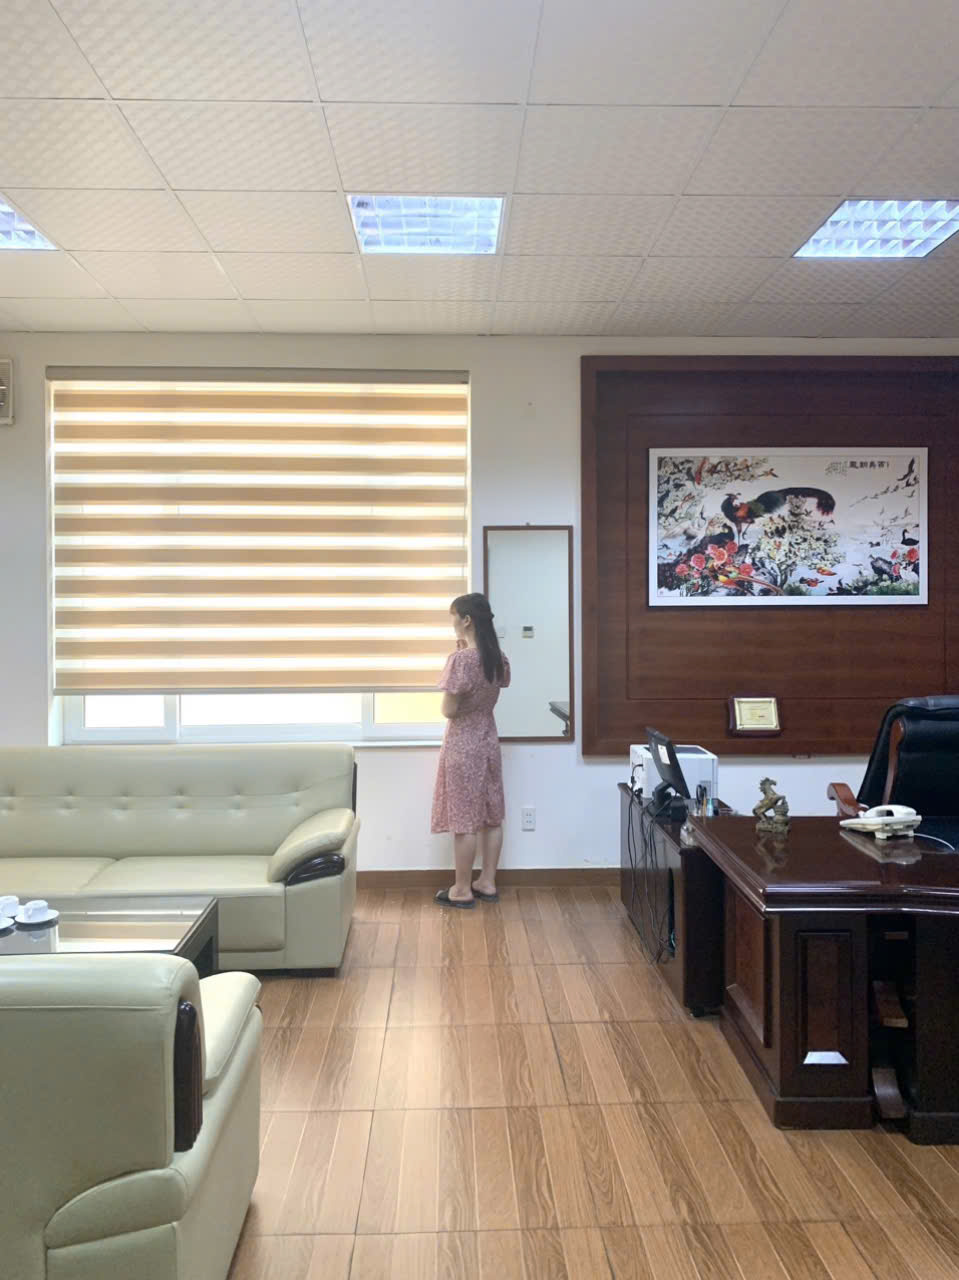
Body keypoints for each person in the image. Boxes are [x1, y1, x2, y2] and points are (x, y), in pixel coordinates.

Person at [431, 592, 510, 908]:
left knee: (464, 819)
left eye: (454, 616)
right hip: (488, 740)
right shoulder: (498, 658)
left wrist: (459, 658)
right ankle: (487, 882)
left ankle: (462, 890)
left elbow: (449, 709)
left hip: (463, 744)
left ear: (466, 620)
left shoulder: (461, 661)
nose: (451, 622)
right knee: (492, 816)